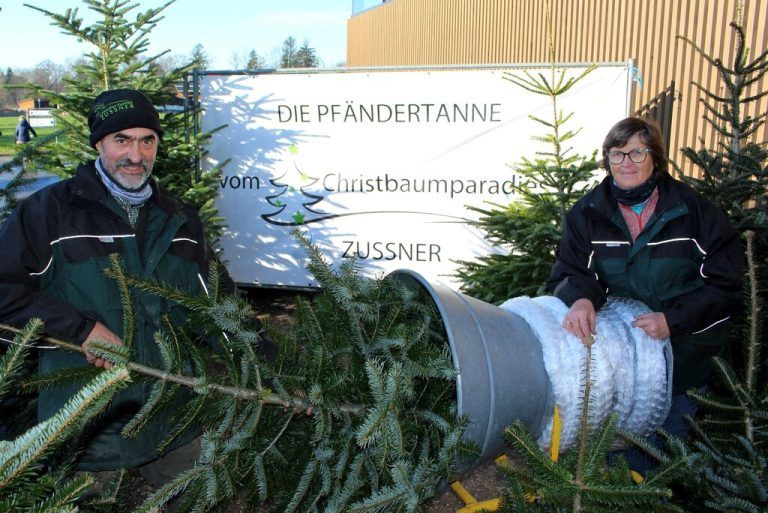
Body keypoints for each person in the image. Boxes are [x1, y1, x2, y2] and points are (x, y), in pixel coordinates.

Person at [0, 89, 272, 492]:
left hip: (172, 414)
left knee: (202, 496)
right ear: (99, 144)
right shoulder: (49, 213)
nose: (136, 154)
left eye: (148, 140)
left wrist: (270, 369)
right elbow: (4, 293)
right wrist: (81, 329)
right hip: (84, 422)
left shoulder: (179, 219)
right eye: (122, 140)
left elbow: (219, 303)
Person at [547, 117, 743, 473]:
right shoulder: (589, 213)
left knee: (660, 462)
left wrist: (673, 320)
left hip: (687, 360)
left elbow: (726, 286)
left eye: (637, 152)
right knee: (617, 462)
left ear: (655, 157)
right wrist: (581, 298)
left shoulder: (694, 212)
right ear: (606, 160)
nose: (627, 163)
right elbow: (569, 270)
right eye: (617, 154)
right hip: (625, 367)